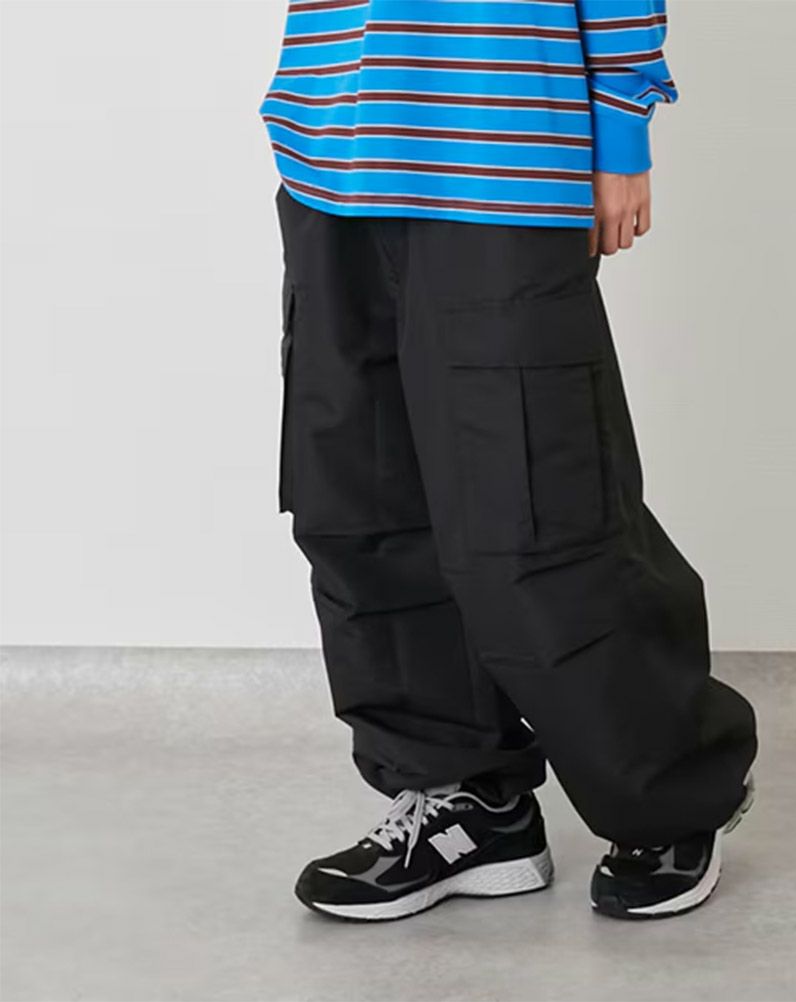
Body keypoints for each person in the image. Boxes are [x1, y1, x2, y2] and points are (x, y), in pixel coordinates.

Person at [260, 0, 757, 922]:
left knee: (539, 503)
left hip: (504, 147)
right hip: (333, 141)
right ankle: (466, 797)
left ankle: (671, 795)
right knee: (360, 498)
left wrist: (621, 125)